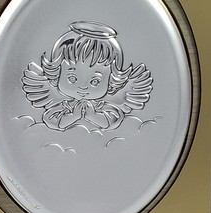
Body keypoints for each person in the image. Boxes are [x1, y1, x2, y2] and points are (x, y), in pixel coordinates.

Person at [22, 21, 152, 131]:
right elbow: (50, 120)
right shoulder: (64, 106)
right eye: (72, 78)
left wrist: (93, 116)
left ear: (111, 80)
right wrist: (73, 116)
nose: (83, 87)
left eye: (95, 81)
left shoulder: (103, 106)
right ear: (57, 73)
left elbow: (112, 121)